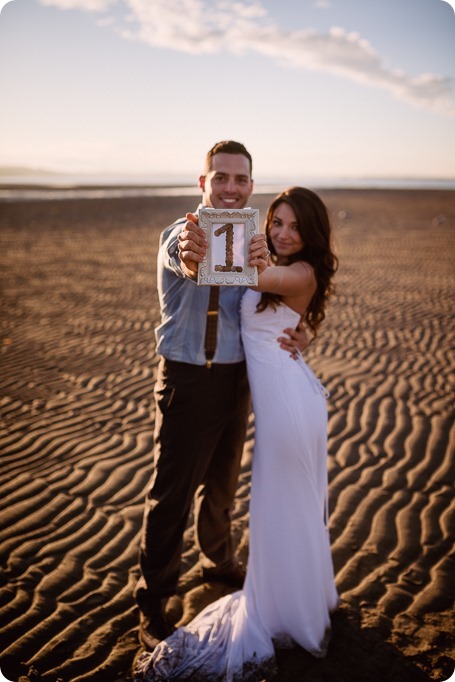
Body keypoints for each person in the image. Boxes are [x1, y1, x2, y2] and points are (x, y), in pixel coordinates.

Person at [134, 186, 340, 681]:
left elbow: (249, 277)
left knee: (282, 506)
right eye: (277, 223)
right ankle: (297, 597)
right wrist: (192, 246)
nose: (283, 233)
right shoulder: (256, 256)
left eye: (295, 226)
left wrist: (218, 245)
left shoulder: (296, 269)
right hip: (273, 402)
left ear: (311, 234)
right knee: (284, 506)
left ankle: (289, 606)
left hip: (289, 408)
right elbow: (249, 291)